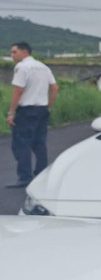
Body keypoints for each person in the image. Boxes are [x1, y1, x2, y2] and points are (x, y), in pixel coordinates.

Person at [6, 42, 58, 188]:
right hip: (42, 109)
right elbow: (54, 88)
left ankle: (25, 176)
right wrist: (48, 107)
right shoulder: (43, 67)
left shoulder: (22, 67)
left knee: (22, 144)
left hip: (27, 110)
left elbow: (18, 91)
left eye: (14, 52)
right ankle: (41, 173)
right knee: (39, 143)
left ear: (24, 52)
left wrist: (11, 112)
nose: (12, 55)